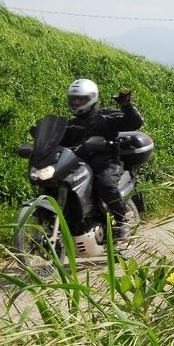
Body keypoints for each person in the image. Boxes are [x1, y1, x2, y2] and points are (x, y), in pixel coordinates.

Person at [61, 78, 144, 239]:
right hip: (79, 166)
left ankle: (123, 220)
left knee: (104, 183)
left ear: (91, 99)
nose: (77, 103)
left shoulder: (105, 116)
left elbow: (134, 122)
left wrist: (127, 106)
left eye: (81, 99)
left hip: (106, 162)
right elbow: (58, 142)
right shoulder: (70, 125)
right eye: (74, 99)